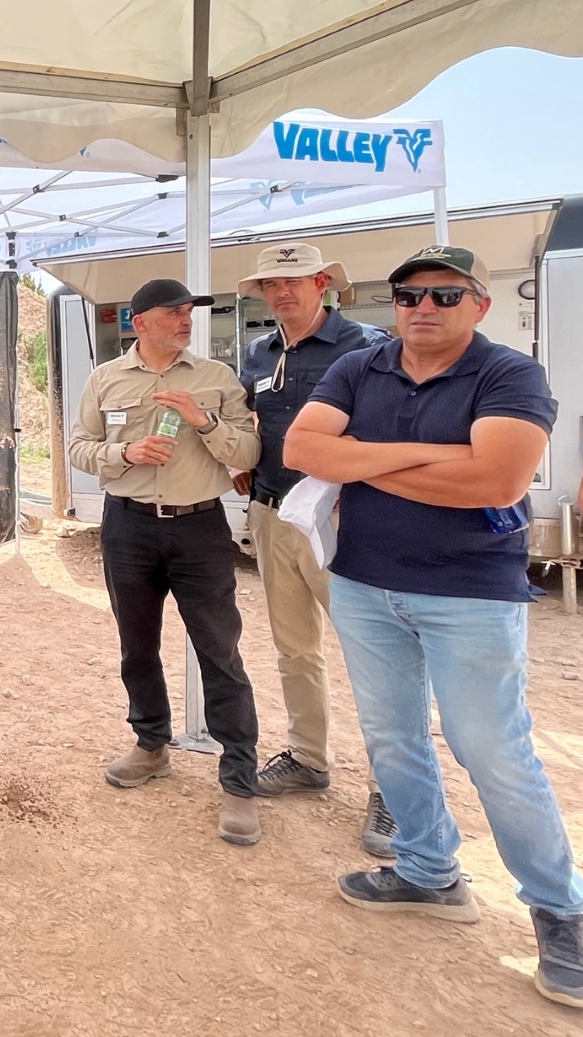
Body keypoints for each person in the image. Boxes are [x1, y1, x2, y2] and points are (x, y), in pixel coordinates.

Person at [285, 244, 583, 1011]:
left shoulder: (509, 374)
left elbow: (496, 479)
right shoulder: (364, 365)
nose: (423, 307)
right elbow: (300, 449)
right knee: (392, 737)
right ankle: (429, 871)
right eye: (409, 294)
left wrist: (359, 459)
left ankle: (558, 912)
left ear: (480, 304)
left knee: (491, 746)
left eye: (444, 296)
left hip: (470, 592)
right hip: (361, 582)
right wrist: (433, 455)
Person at [68, 278, 264, 845]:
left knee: (219, 650)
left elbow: (249, 452)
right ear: (139, 322)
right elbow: (79, 446)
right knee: (137, 644)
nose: (186, 321)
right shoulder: (106, 379)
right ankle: (151, 745)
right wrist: (123, 452)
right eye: (174, 313)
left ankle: (239, 779)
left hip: (200, 527)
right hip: (127, 527)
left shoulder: (216, 378)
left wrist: (203, 423)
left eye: (188, 313)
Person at [234, 243, 397, 856]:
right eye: (271, 284)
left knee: (375, 659)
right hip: (275, 513)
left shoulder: (369, 347)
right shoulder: (259, 352)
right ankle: (308, 758)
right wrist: (244, 463)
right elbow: (257, 423)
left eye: (294, 281)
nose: (282, 293)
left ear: (322, 283)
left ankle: (394, 790)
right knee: (294, 648)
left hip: (345, 520)